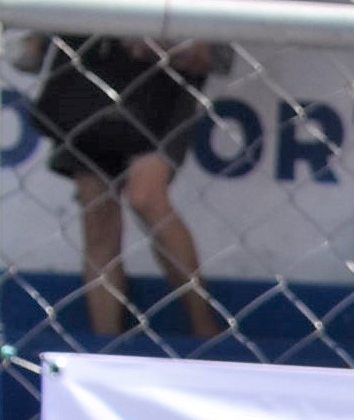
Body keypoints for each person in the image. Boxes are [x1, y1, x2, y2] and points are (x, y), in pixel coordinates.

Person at [21, 31, 222, 338]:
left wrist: (194, 37)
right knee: (97, 210)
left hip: (166, 56)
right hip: (90, 55)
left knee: (146, 197)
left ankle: (207, 331)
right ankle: (105, 342)